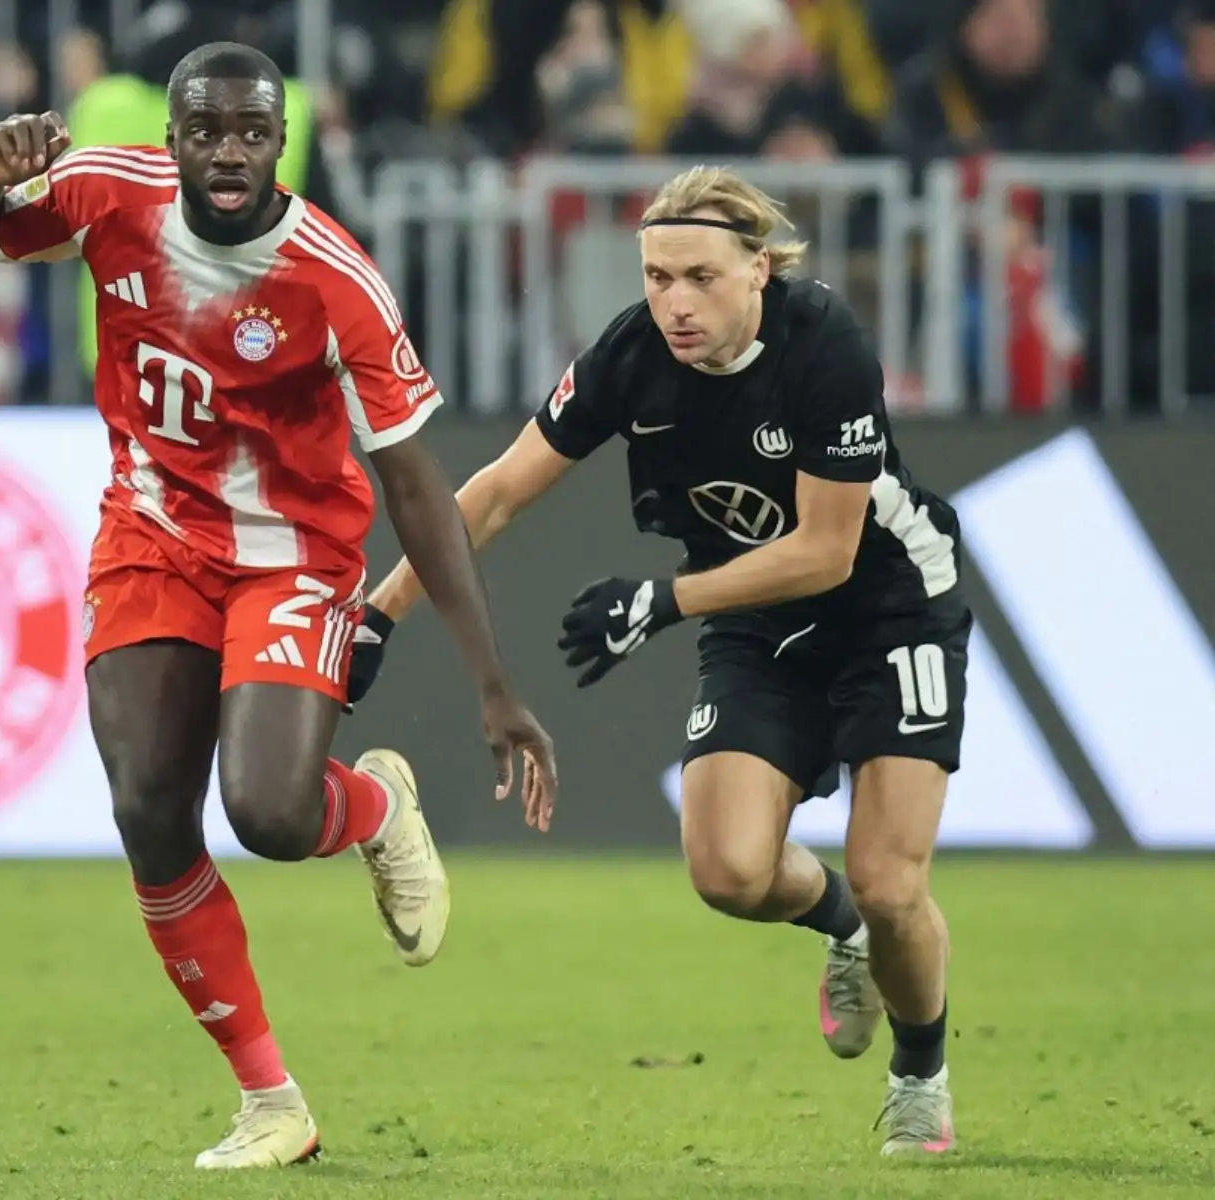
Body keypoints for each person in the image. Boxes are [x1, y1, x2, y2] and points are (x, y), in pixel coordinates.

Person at [0, 42, 559, 1171]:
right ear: (172, 138)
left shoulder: (337, 280)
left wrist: (492, 684)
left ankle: (368, 811)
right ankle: (271, 1101)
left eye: (251, 133)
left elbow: (418, 491)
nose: (229, 151)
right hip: (151, 531)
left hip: (292, 554)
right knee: (147, 806)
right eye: (207, 130)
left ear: (282, 144)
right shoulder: (106, 192)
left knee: (269, 815)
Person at [348, 166, 962, 1158]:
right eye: (657, 274)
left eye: (701, 276)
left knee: (895, 880)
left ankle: (920, 1075)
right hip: (758, 625)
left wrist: (663, 599)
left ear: (758, 268)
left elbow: (827, 550)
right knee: (726, 871)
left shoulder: (825, 346)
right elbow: (498, 492)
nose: (675, 301)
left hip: (891, 617)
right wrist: (378, 615)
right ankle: (843, 929)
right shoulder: (630, 357)